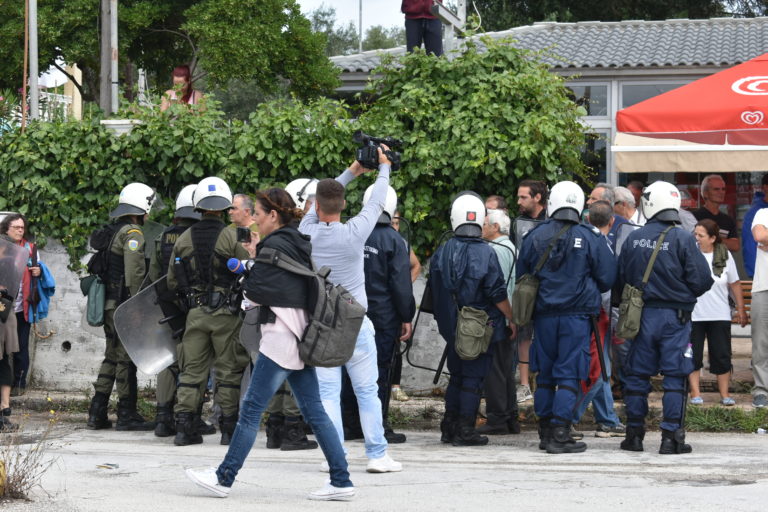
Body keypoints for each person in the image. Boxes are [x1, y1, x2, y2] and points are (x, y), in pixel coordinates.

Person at [185, 188, 355, 501]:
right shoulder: (296, 241)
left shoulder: (276, 243)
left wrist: (253, 259)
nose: (256, 222)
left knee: (250, 409)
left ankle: (224, 477)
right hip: (298, 334)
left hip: (280, 337)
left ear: (273, 215)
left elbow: (259, 290)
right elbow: (280, 281)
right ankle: (341, 481)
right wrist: (257, 256)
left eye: (259, 216)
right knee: (314, 410)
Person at [299, 148, 402, 473]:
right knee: (366, 390)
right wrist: (383, 168)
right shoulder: (356, 233)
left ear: (316, 206)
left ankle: (334, 456)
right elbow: (377, 202)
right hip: (356, 323)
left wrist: (352, 171)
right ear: (344, 205)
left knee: (328, 392)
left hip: (322, 323)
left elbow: (320, 201)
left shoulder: (307, 232)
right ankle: (376, 455)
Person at [517, 181, 616, 454]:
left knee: (546, 375)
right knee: (570, 375)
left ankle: (545, 430)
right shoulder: (591, 237)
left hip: (544, 317)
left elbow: (523, 275)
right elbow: (607, 278)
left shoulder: (534, 236)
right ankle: (560, 433)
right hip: (576, 318)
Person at [617, 181, 713, 454]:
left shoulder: (634, 237)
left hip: (640, 316)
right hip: (675, 318)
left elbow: (620, 277)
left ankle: (634, 436)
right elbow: (702, 280)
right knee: (674, 378)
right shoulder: (683, 238)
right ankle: (671, 439)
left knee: (636, 377)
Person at [167, 177, 251, 446]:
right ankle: (228, 430)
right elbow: (250, 271)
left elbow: (171, 281)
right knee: (227, 371)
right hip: (226, 313)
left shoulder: (183, 239)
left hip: (195, 313)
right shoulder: (233, 235)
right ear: (225, 206)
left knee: (191, 372)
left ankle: (184, 429)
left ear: (198, 206)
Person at [431, 192, 514, 446]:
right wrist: (511, 317)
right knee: (473, 378)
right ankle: (466, 430)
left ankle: (449, 427)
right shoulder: (487, 252)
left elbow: (432, 291)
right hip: (479, 326)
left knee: (456, 375)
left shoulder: (443, 250)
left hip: (451, 326)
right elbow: (496, 291)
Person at [86, 183, 157, 432]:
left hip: (108, 304)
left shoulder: (113, 231)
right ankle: (127, 414)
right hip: (122, 306)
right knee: (126, 359)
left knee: (112, 355)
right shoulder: (133, 233)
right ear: (142, 207)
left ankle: (97, 412)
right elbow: (134, 273)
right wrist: (137, 305)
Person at [148, 185, 212, 438]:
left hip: (166, 304)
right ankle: (191, 417)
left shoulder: (163, 236)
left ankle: (163, 417)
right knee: (195, 359)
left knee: (169, 358)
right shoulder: (199, 236)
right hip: (194, 304)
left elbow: (153, 274)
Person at [355, 184, 415, 444]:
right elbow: (401, 284)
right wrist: (406, 316)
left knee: (351, 368)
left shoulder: (353, 233)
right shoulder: (393, 240)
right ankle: (378, 425)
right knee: (379, 371)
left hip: (352, 312)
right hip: (384, 316)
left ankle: (351, 423)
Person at [571, 201, 626, 438]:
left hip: (583, 312)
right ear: (611, 221)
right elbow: (607, 283)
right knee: (598, 368)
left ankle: (607, 419)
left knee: (603, 368)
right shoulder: (601, 243)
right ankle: (568, 416)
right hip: (598, 315)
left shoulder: (581, 240)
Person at [688, 219, 747, 406]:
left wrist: (741, 309)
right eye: (695, 234)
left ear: (713, 238)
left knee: (722, 355)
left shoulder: (725, 255)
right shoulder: (689, 254)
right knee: (693, 355)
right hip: (694, 314)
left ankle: (724, 394)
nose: (696, 238)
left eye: (701, 235)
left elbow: (735, 284)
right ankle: (695, 393)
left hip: (719, 314)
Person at [477, 208, 520, 435]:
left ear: (495, 227)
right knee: (504, 370)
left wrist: (508, 317)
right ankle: (510, 416)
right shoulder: (511, 247)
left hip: (500, 318)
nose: (481, 228)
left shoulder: (496, 249)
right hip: (508, 317)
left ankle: (497, 418)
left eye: (485, 224)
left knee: (494, 371)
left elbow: (500, 288)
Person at [514, 179, 547, 404]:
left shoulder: (553, 220)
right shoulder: (517, 223)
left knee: (545, 335)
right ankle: (524, 385)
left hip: (546, 286)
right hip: (524, 285)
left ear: (538, 197)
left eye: (524, 197)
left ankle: (544, 382)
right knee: (523, 334)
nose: (519, 201)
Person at [0, 214, 41, 396]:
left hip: (20, 307)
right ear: (6, 229)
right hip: (2, 307)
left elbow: (40, 274)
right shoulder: (1, 247)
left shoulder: (30, 249)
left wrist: (38, 271)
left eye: (22, 228)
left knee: (20, 348)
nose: (20, 230)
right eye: (16, 227)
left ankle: (19, 383)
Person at [390, 209, 421, 402]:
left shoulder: (401, 242)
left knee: (395, 346)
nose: (394, 226)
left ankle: (395, 386)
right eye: (391, 222)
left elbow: (416, 265)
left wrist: (404, 285)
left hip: (395, 303)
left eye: (396, 223)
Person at [749, 205, 768, 408]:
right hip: (764, 287)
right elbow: (760, 236)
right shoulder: (763, 213)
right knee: (761, 343)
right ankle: (761, 390)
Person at [693, 174, 739, 252]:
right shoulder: (694, 217)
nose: (721, 192)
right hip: (701, 262)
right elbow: (692, 242)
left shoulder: (728, 220)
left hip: (722, 263)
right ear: (705, 193)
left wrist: (710, 238)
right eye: (716, 189)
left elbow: (735, 246)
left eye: (723, 189)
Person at [741, 173, 768, 277]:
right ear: (765, 187)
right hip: (763, 277)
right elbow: (750, 247)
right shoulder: (756, 212)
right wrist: (756, 275)